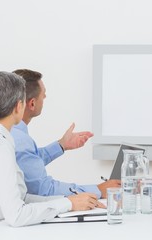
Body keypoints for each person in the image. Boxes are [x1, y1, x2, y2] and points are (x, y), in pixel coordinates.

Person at [0, 72, 103, 233]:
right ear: (18, 106)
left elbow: (22, 198)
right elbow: (17, 216)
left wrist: (69, 201)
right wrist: (68, 204)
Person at [10, 69, 120, 199]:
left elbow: (29, 162)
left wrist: (61, 145)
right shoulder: (20, 140)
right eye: (43, 95)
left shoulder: (13, 133)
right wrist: (98, 190)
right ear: (32, 103)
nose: (45, 98)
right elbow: (44, 189)